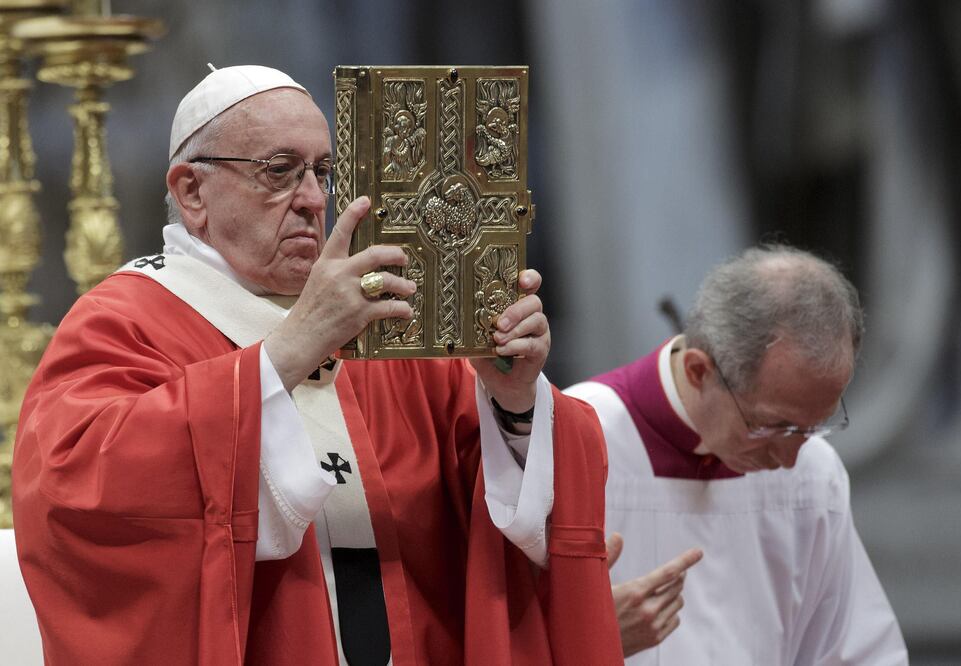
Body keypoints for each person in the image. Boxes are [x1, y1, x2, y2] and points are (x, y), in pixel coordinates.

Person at [12, 65, 623, 665]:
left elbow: (495, 512)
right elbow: (74, 490)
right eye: (278, 171)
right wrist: (288, 352)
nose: (312, 200)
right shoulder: (127, 320)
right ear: (192, 191)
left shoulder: (388, 322)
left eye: (323, 172)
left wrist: (513, 402)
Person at [565, 245, 909, 664]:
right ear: (698, 371)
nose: (789, 459)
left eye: (813, 426)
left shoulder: (814, 472)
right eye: (772, 426)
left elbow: (858, 652)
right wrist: (587, 638)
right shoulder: (572, 440)